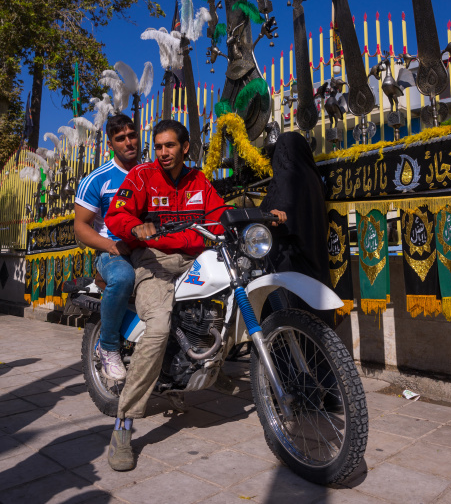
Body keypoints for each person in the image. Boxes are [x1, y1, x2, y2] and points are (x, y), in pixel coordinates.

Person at [104, 119, 229, 471]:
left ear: (184, 147)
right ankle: (124, 422)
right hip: (153, 260)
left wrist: (254, 220)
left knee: (230, 294)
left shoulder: (199, 181)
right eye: (158, 146)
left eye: (169, 146)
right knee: (158, 327)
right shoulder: (142, 176)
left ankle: (210, 359)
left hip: (193, 258)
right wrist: (135, 226)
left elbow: (219, 217)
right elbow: (117, 215)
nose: (162, 153)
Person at [74, 114, 138, 380]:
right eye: (120, 138)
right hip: (112, 254)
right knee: (123, 277)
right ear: (111, 144)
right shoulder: (97, 179)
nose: (128, 142)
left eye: (132, 135)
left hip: (149, 248)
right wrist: (112, 246)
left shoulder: (151, 173)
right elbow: (80, 228)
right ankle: (108, 347)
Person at [260, 131, 334, 323]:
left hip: (290, 263)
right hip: (315, 258)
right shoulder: (314, 179)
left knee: (287, 323)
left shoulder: (287, 177)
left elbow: (278, 217)